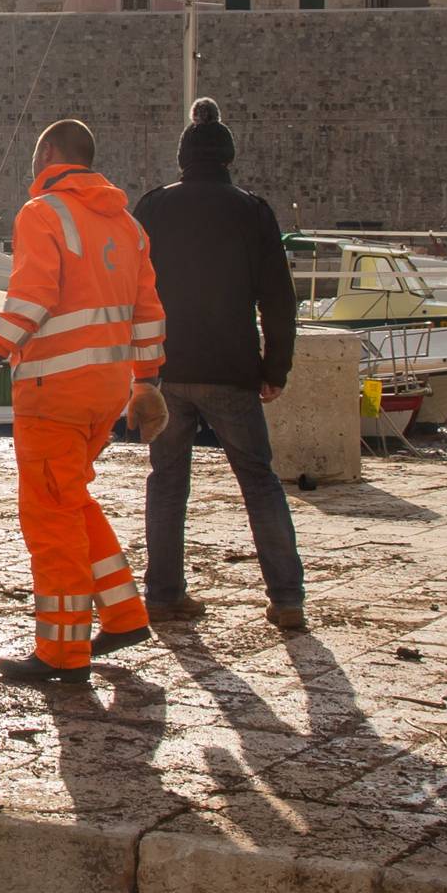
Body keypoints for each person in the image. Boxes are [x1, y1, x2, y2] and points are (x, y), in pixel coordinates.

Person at [0, 118, 168, 687]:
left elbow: (31, 298)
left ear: (49, 153)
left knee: (50, 520)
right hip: (107, 391)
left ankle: (62, 652)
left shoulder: (43, 213)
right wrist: (147, 384)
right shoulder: (128, 225)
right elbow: (148, 312)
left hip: (54, 391)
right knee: (70, 498)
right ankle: (123, 614)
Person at [134, 97, 308, 634]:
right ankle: (286, 599)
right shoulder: (253, 211)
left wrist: (135, 367)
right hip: (232, 368)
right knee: (259, 481)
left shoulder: (154, 207)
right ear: (228, 158)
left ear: (183, 157)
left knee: (166, 481)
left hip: (166, 368)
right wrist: (274, 369)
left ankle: (162, 595)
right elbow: (278, 299)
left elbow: (129, 290)